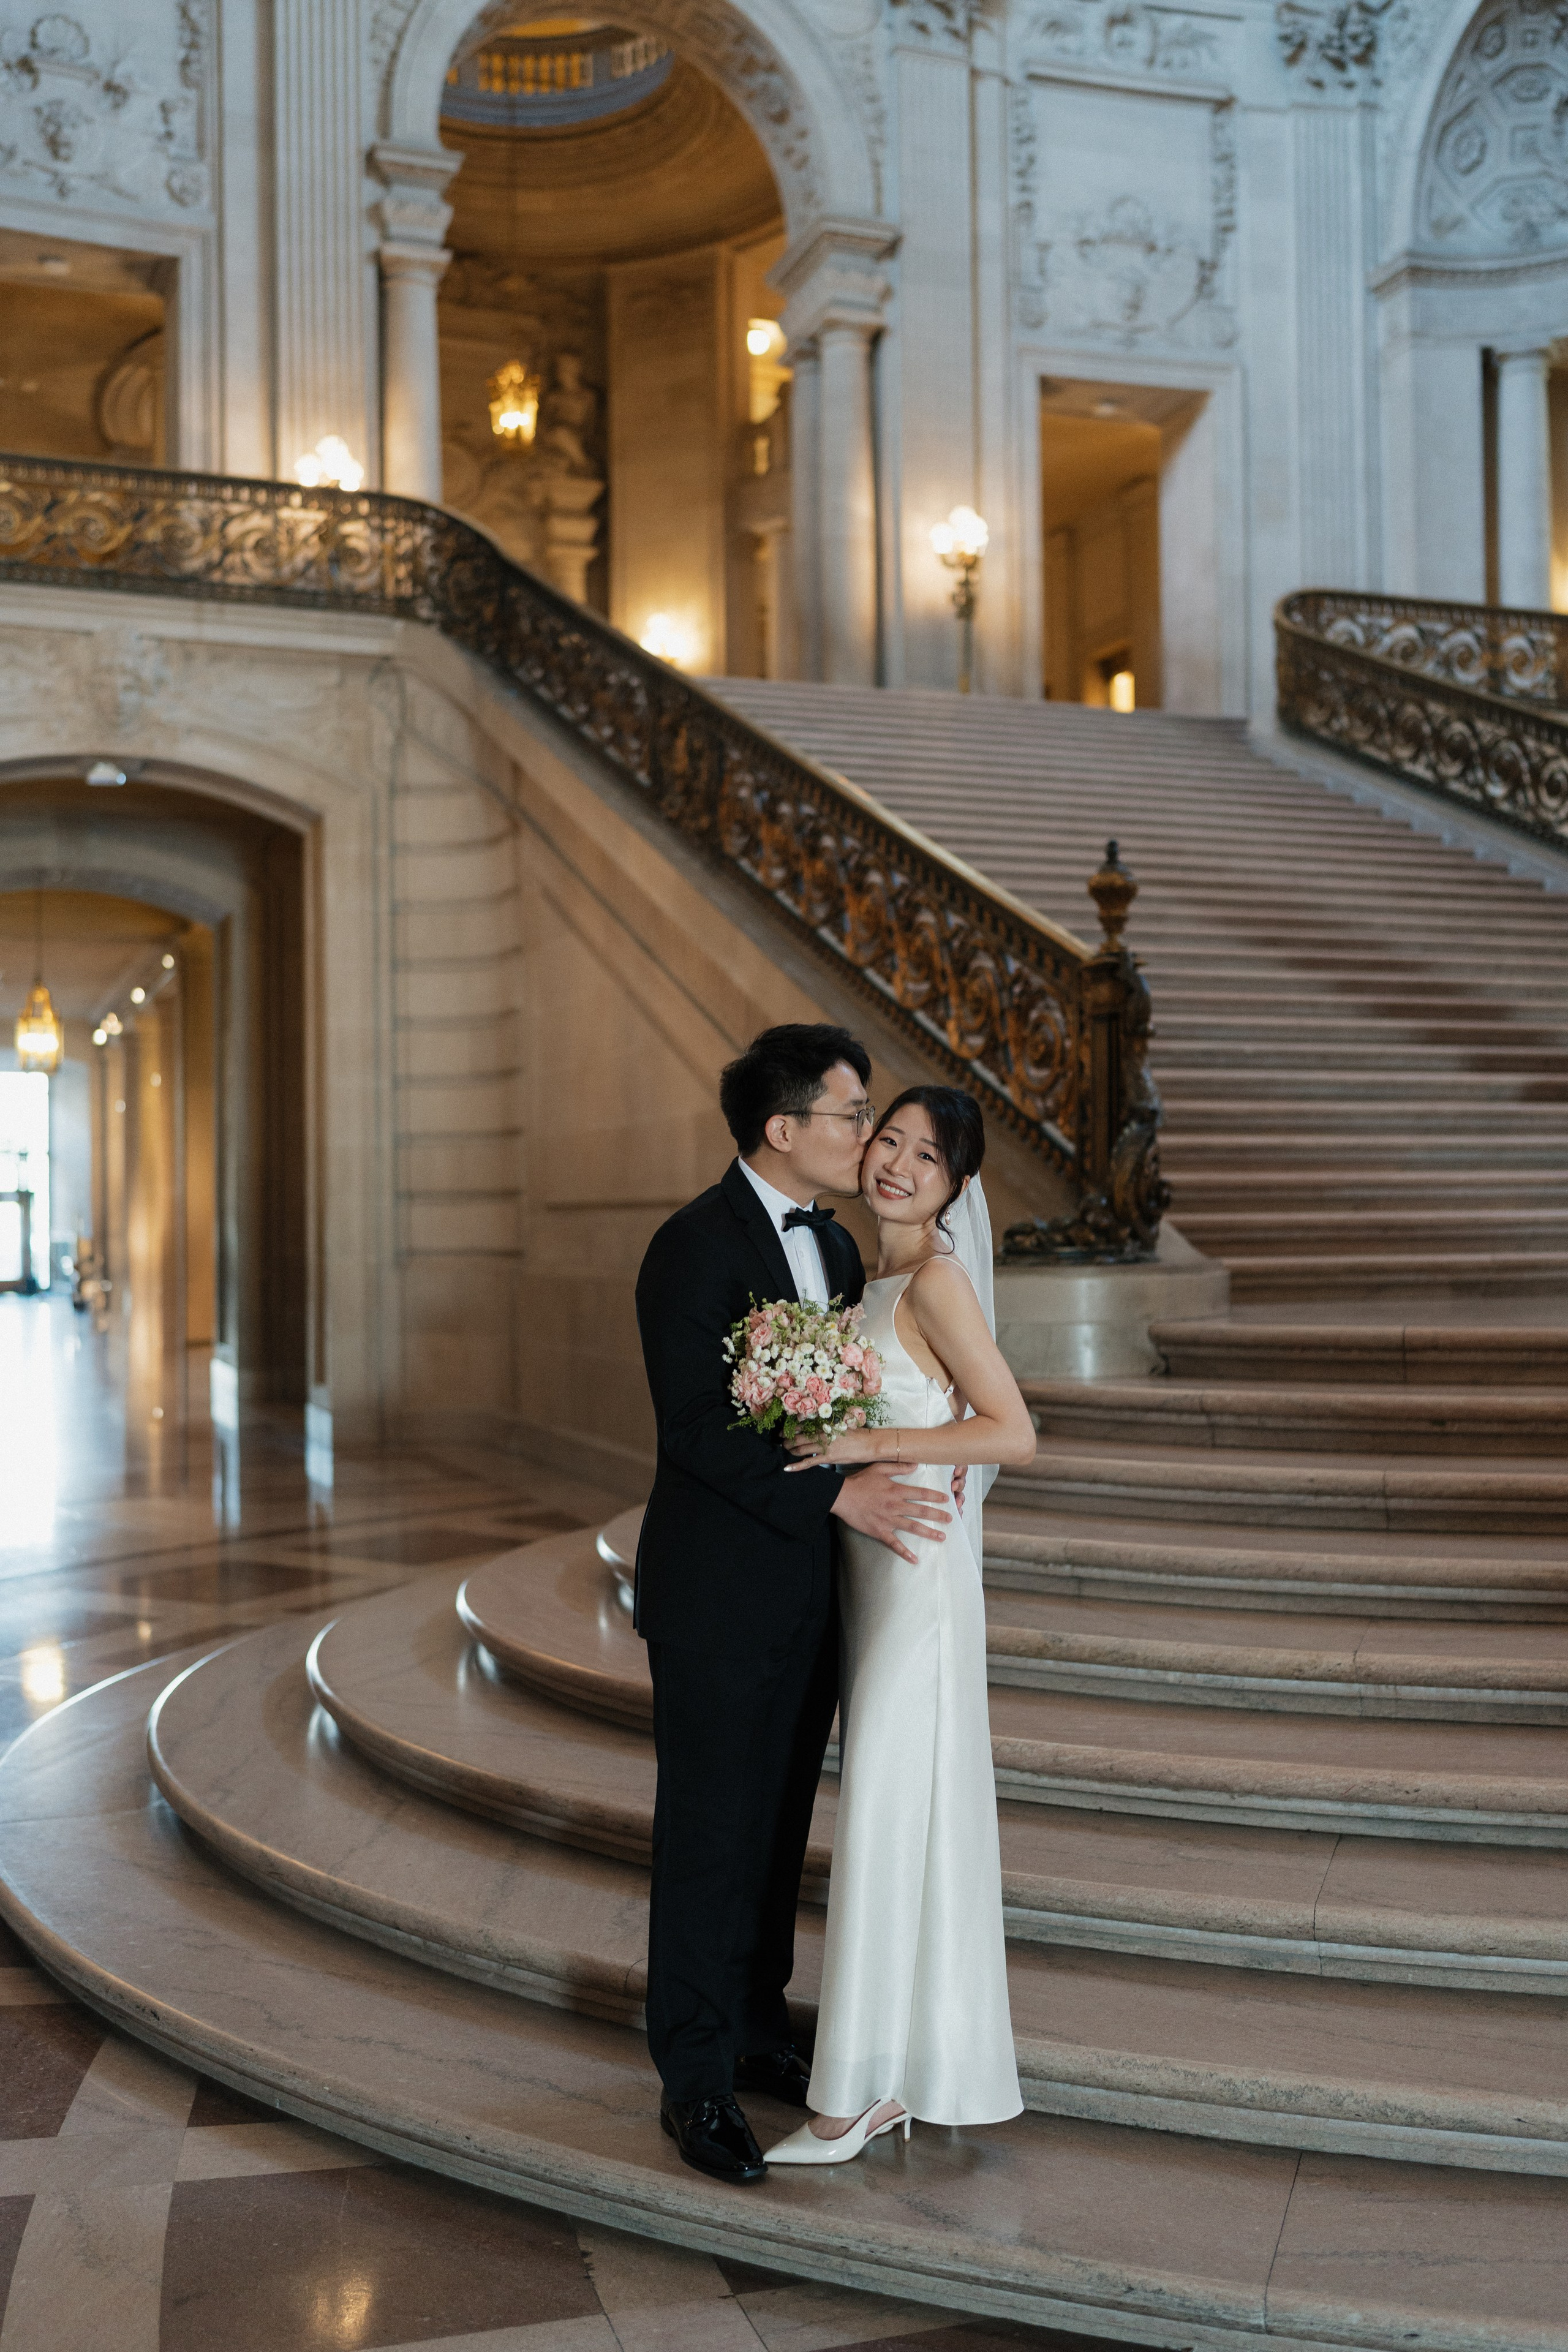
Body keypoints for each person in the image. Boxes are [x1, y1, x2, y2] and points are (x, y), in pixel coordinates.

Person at [633, 1026, 956, 2185]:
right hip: (718, 1594)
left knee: (776, 1835)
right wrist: (840, 1489)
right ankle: (696, 2075)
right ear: (785, 1129)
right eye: (850, 1112)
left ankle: (762, 2028)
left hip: (813, 1597)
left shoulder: (832, 1244)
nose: (867, 1136)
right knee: (712, 1835)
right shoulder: (693, 1247)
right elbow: (699, 1434)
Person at [766, 1085, 1036, 2165]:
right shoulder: (860, 1278)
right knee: (893, 1813)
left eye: (930, 1157)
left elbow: (1012, 1432)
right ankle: (905, 2069)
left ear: (958, 1186)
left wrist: (864, 1451)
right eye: (891, 1141)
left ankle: (859, 2092)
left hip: (916, 1579)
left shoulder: (934, 1283)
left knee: (885, 1810)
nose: (900, 1164)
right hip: (865, 1571)